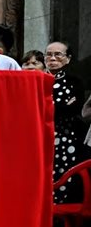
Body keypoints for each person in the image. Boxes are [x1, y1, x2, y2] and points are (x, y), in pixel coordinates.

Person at [46, 41, 89, 203]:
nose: (52, 58)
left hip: (66, 137)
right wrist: (61, 106)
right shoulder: (38, 79)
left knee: (64, 176)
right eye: (49, 54)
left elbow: (74, 109)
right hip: (41, 136)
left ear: (68, 59)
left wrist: (50, 108)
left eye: (58, 54)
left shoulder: (74, 82)